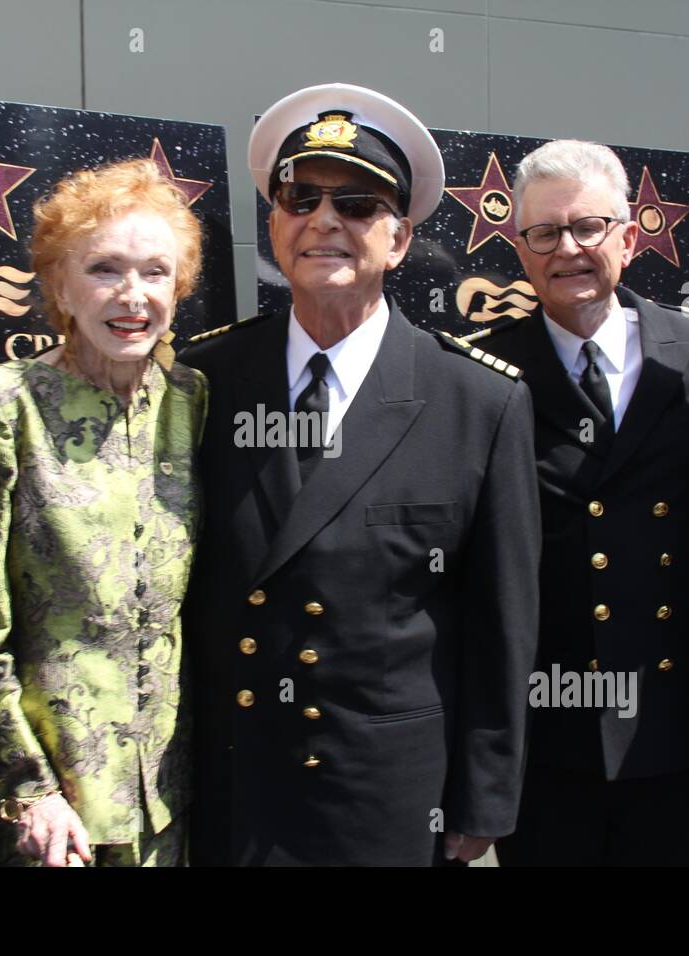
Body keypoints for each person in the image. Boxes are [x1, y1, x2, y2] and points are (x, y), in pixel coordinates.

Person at [180, 82, 541, 866]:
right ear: (274, 225)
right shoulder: (205, 380)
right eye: (300, 197)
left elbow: (500, 626)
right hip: (233, 787)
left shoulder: (479, 401)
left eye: (357, 205)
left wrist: (484, 796)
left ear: (401, 238)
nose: (324, 221)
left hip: (386, 796)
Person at [470, 140, 689, 866]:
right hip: (546, 733)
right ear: (520, 247)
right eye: (545, 233)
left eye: (589, 227)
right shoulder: (485, 372)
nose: (568, 250)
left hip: (671, 724)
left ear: (629, 233)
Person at [0, 158, 207, 867]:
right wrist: (24, 788)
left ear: (179, 288)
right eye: (104, 269)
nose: (133, 296)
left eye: (156, 272)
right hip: (55, 807)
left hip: (175, 793)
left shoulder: (193, 403)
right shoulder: (2, 408)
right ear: (59, 285)